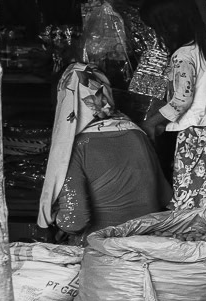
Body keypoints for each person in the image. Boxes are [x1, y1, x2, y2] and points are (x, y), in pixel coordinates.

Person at [38, 64, 169, 237]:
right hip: (148, 241)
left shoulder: (74, 147)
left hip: (106, 246)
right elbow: (164, 196)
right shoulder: (138, 133)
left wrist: (55, 219)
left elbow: (75, 221)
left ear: (66, 102)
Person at [137, 0, 206, 210]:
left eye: (156, 29)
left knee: (190, 191)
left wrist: (151, 123)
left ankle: (194, 234)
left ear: (170, 25)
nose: (157, 35)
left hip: (197, 132)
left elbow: (182, 100)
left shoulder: (183, 55)